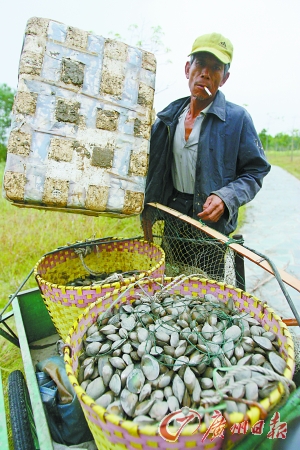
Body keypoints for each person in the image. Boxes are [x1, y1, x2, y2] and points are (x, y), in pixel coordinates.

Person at [142, 32, 271, 279]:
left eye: (216, 68)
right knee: (174, 284)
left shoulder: (237, 119)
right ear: (187, 68)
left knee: (208, 292)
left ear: (224, 78)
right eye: (200, 64)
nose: (206, 73)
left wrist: (226, 197)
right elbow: (149, 169)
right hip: (174, 216)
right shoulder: (167, 119)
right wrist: (147, 210)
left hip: (211, 222)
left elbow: (256, 172)